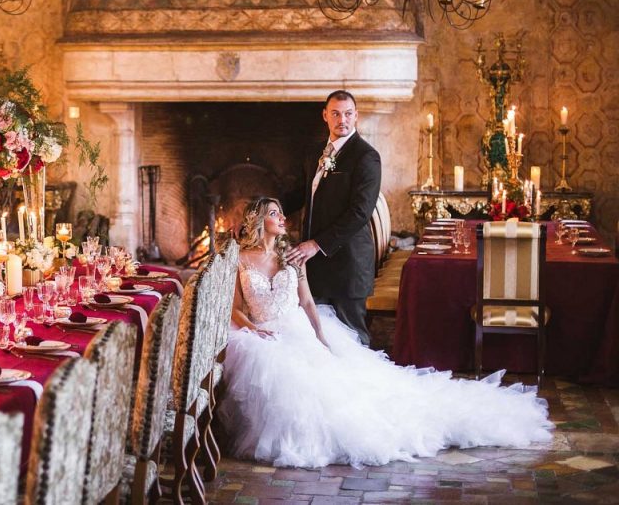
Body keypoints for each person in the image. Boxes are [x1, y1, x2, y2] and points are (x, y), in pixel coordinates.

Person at [217, 197, 553, 468]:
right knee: (275, 375)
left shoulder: (293, 256)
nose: (283, 218)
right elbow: (234, 307)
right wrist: (252, 330)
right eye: (275, 213)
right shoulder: (241, 261)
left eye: (281, 212)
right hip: (261, 331)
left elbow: (306, 302)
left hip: (297, 328)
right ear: (259, 220)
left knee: (338, 388)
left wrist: (321, 338)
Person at [284, 90, 380, 346]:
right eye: (336, 113)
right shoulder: (315, 151)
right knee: (321, 337)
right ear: (325, 115)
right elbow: (301, 193)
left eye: (348, 114)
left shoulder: (366, 157)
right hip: (316, 266)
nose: (342, 120)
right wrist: (267, 211)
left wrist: (316, 244)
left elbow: (360, 213)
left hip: (347, 265)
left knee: (353, 341)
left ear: (356, 116)